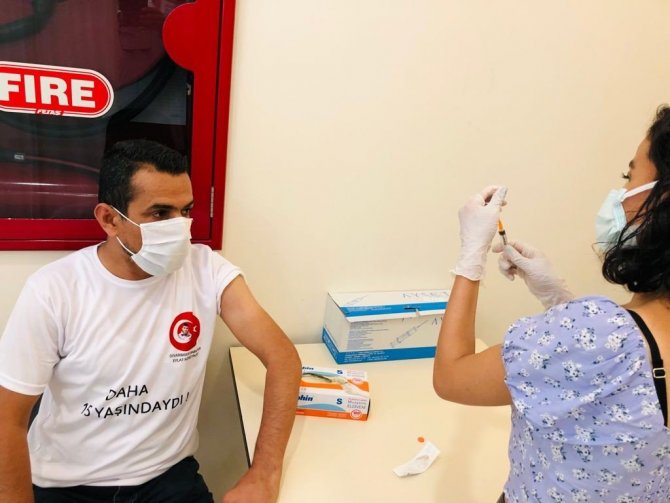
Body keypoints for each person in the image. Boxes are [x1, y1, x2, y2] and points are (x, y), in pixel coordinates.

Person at [0, 139, 302, 502]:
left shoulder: (206, 269)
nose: (180, 227)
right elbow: (7, 419)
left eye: (185, 211)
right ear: (109, 219)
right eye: (160, 213)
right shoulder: (54, 290)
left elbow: (282, 357)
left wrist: (265, 473)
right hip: (68, 485)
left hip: (167, 479)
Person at [433, 106, 670, 502]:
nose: (620, 194)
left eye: (629, 178)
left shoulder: (596, 334)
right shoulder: (606, 337)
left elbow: (451, 376)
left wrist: (471, 256)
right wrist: (557, 298)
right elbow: (616, 380)